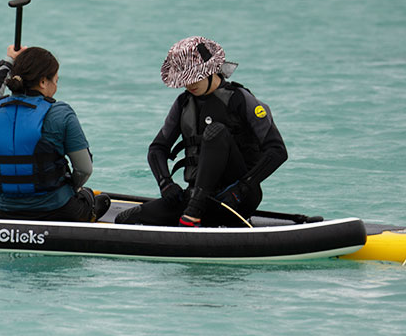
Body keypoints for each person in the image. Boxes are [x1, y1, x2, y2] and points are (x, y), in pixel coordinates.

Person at [115, 36, 287, 228]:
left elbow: (277, 151)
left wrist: (243, 188)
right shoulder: (183, 104)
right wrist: (166, 183)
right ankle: (192, 214)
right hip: (193, 198)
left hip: (235, 199)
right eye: (184, 79)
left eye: (194, 77)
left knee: (216, 131)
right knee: (126, 219)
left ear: (212, 70)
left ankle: (192, 216)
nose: (189, 84)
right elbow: (157, 149)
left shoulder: (241, 100)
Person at [0, 45, 110, 222]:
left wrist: (9, 61)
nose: (56, 86)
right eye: (55, 80)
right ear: (42, 82)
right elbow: (84, 169)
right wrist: (71, 188)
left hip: (5, 211)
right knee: (100, 199)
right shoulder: (60, 113)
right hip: (58, 211)